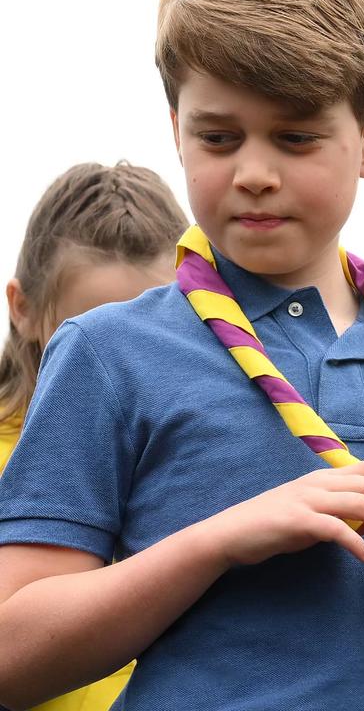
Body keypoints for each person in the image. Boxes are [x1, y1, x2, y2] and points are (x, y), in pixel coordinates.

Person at [0, 0, 364, 708]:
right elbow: (12, 654)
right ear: (177, 132)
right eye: (219, 138)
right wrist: (216, 542)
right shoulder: (106, 352)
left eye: (295, 137)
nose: (254, 172)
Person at [0, 161, 185, 711]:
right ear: (23, 309)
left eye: (150, 332)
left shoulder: (207, 455)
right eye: (85, 334)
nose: (116, 363)